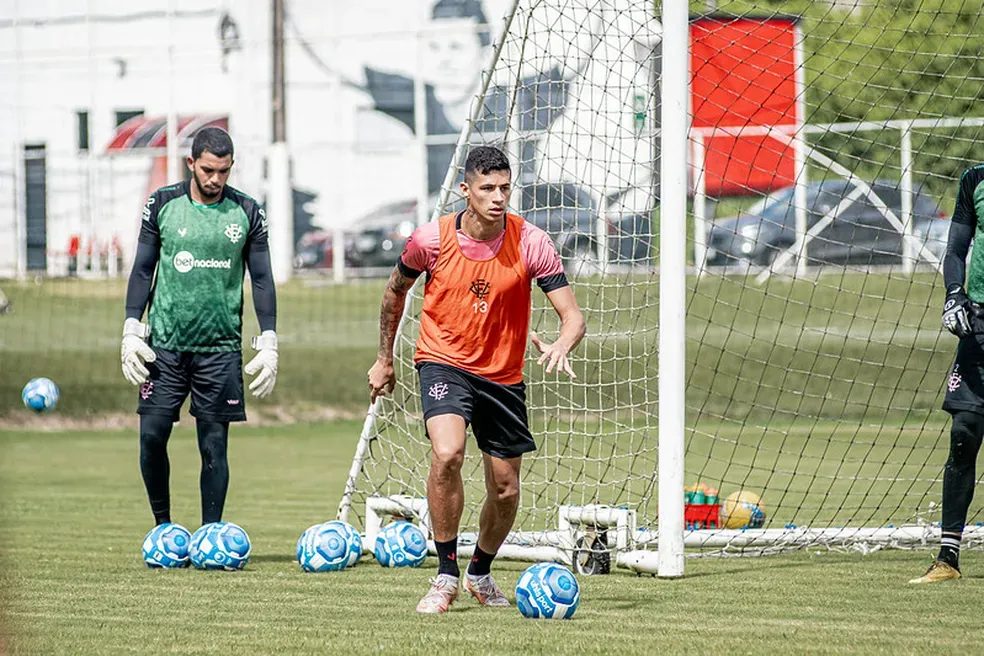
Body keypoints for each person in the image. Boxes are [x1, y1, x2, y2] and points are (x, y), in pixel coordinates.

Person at [367, 146, 586, 613]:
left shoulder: (531, 242)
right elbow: (394, 295)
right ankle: (444, 576)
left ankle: (479, 573)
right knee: (447, 452)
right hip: (443, 362)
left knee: (505, 489)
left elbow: (573, 317)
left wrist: (564, 343)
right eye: (487, 188)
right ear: (466, 190)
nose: (498, 197)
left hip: (504, 376)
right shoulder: (430, 240)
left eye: (505, 187)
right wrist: (385, 358)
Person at [120, 126, 278, 532]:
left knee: (213, 446)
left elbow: (261, 278)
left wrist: (269, 338)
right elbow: (142, 268)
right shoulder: (162, 204)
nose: (215, 179)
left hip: (220, 348)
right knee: (152, 437)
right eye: (208, 170)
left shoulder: (247, 211)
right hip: (165, 346)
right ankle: (163, 527)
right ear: (191, 163)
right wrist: (131, 329)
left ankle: (210, 534)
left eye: (223, 171)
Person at [911, 163, 984, 583]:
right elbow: (956, 248)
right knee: (964, 433)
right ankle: (947, 559)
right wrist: (954, 295)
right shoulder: (975, 179)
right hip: (978, 323)